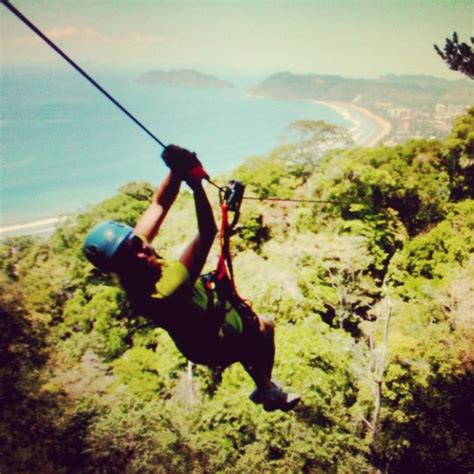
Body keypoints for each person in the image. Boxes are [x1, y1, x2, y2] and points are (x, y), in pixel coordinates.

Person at [83, 145, 300, 412]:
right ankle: (267, 389)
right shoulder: (164, 289)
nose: (142, 253)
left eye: (137, 244)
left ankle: (265, 387)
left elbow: (159, 204)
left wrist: (176, 170)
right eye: (131, 257)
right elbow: (207, 233)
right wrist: (196, 186)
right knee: (259, 332)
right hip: (210, 345)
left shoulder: (133, 251)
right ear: (119, 268)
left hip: (202, 325)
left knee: (255, 327)